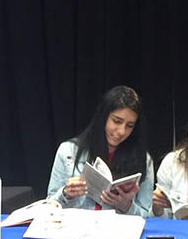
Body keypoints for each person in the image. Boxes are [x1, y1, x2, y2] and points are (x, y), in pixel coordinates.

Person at [47, 85, 155, 217]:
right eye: (116, 121)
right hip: (76, 230)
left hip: (118, 232)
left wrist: (126, 206)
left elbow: (147, 214)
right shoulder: (68, 151)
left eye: (130, 126)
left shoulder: (143, 160)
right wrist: (65, 193)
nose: (121, 131)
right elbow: (49, 205)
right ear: (103, 117)